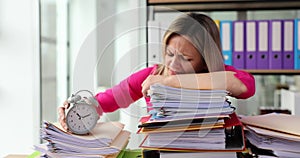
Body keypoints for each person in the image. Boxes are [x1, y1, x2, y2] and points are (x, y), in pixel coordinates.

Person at [58, 12, 255, 130]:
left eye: (186, 59)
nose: (173, 64)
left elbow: (246, 86)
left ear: (205, 61)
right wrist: (79, 108)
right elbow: (107, 100)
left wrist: (168, 82)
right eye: (169, 53)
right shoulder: (152, 74)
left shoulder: (217, 74)